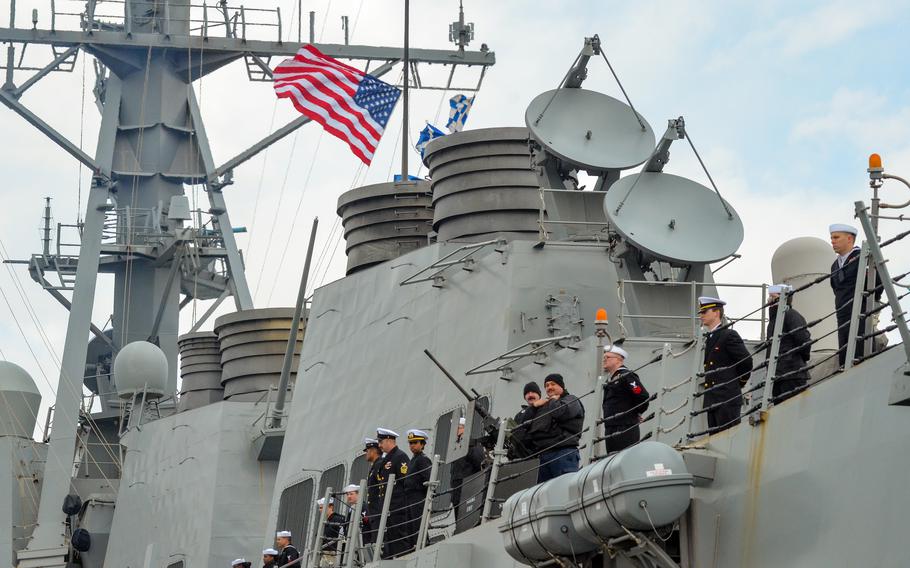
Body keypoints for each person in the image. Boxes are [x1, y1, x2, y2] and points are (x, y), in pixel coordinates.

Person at [698, 296, 753, 433]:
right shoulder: (710, 337)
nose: (701, 316)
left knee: (728, 441)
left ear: (716, 313)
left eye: (705, 312)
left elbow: (746, 361)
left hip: (727, 398)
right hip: (713, 399)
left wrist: (739, 382)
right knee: (716, 442)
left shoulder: (728, 335)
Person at [829, 223, 881, 366]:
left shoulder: (862, 257)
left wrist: (871, 306)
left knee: (861, 353)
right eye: (832, 238)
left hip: (861, 312)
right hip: (842, 315)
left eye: (836, 237)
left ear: (849, 239)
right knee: (845, 355)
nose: (832, 241)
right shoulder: (834, 266)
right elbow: (836, 291)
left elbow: (877, 283)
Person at [527, 373, 585, 483]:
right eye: (547, 385)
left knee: (564, 489)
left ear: (561, 386)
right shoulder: (545, 405)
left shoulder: (571, 400)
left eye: (553, 384)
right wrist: (534, 407)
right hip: (543, 456)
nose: (549, 387)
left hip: (563, 453)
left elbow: (560, 412)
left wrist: (553, 400)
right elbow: (526, 425)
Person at [766, 284, 811, 402]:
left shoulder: (791, 315)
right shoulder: (773, 321)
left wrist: (795, 360)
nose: (768, 299)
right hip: (778, 377)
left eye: (772, 296)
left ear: (782, 297)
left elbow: (803, 340)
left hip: (792, 374)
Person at [601, 345, 650, 453]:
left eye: (607, 357)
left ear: (618, 360)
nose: (604, 360)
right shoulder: (612, 379)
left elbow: (642, 396)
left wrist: (637, 413)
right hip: (611, 427)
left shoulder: (626, 376)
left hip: (625, 427)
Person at [375, 428, 410, 559]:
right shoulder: (387, 459)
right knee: (390, 540)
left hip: (397, 507)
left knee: (399, 539)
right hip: (388, 508)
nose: (379, 445)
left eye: (381, 441)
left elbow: (405, 481)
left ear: (389, 440)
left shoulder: (400, 457)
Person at [449, 416, 485, 521]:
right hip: (457, 493)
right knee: (459, 520)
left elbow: (480, 464)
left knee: (468, 520)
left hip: (468, 490)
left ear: (464, 428)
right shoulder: (457, 447)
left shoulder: (471, 444)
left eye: (456, 428)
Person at [402, 429, 432, 552]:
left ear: (422, 444)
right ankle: (415, 545)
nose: (412, 446)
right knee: (411, 524)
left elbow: (429, 479)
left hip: (418, 497)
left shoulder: (423, 460)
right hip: (410, 498)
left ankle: (423, 544)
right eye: (410, 443)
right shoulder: (413, 460)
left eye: (415, 443)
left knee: (418, 523)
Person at [508, 382, 541, 459]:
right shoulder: (519, 415)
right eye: (527, 393)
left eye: (533, 392)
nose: (530, 395)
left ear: (539, 394)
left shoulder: (545, 408)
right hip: (524, 454)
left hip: (541, 452)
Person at [315, 497, 347, 566]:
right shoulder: (327, 521)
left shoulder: (338, 519)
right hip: (326, 554)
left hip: (333, 555)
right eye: (320, 508)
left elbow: (343, 538)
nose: (320, 510)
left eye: (322, 508)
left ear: (331, 507)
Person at [362, 437, 382, 546]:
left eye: (367, 451)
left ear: (374, 450)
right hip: (374, 513)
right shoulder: (375, 466)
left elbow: (381, 488)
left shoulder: (379, 465)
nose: (366, 453)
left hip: (378, 512)